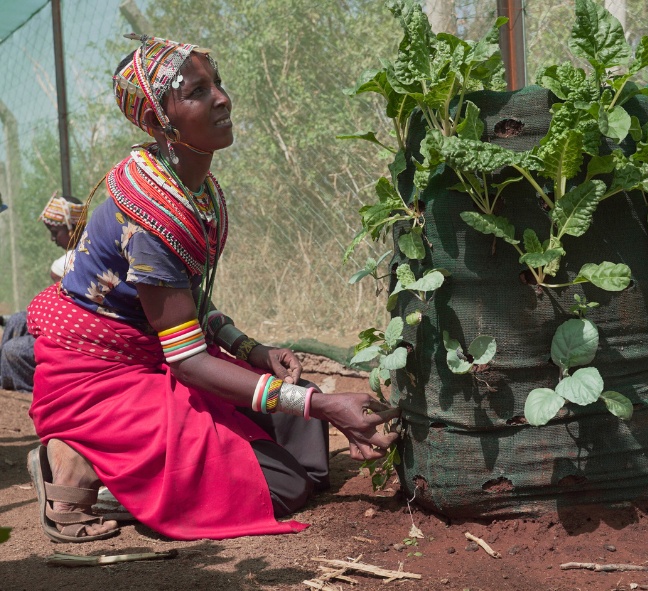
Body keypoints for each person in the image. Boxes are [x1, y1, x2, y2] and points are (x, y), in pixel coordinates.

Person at [25, 34, 399, 543]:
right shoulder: (151, 212)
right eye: (198, 92)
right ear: (161, 122)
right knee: (276, 485)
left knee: (304, 437)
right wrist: (328, 406)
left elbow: (189, 301)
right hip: (100, 376)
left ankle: (152, 471)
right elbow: (187, 362)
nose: (222, 98)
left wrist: (252, 348)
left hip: (153, 351)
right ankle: (80, 465)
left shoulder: (195, 189)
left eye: (216, 84)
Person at [0, 195, 85, 392]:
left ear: (72, 228)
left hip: (74, 334)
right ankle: (3, 377)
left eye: (55, 232)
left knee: (13, 351)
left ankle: (28, 392)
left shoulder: (65, 265)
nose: (52, 239)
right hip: (64, 324)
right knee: (17, 320)